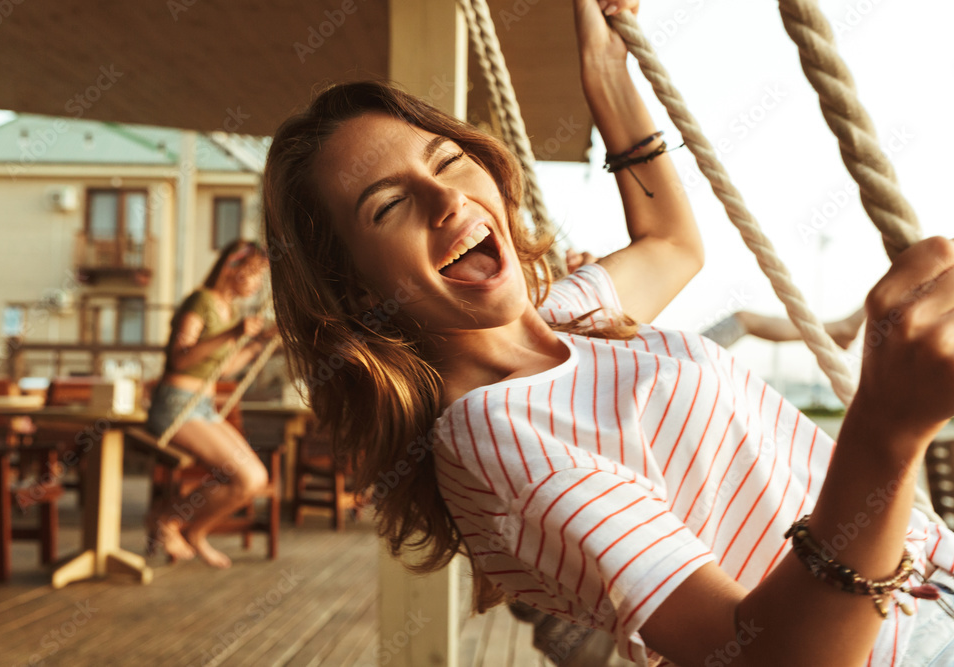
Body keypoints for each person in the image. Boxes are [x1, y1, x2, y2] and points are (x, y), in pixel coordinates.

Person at [262, 1, 954, 665]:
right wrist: (885, 431)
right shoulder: (497, 436)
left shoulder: (563, 320)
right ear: (354, 291)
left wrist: (606, 74)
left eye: (446, 161)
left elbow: (672, 243)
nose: (448, 199)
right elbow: (766, 654)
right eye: (388, 205)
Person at [145, 239, 274, 568]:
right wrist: (232, 335)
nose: (258, 284)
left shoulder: (228, 311)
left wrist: (259, 342)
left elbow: (225, 368)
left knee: (256, 478)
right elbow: (180, 356)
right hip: (176, 405)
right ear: (233, 268)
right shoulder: (200, 301)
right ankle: (168, 520)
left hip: (202, 406)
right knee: (244, 477)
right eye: (254, 274)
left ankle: (194, 531)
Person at [568, 248, 869, 350]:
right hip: (657, 363)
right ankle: (838, 331)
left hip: (650, 356)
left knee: (743, 319)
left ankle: (837, 331)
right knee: (743, 320)